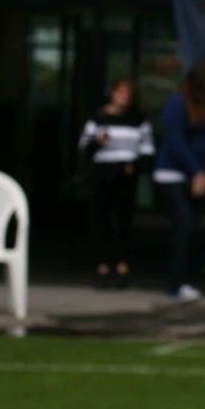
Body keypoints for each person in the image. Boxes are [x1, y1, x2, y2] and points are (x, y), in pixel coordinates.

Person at [155, 58, 205, 303]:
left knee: (193, 227)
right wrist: (196, 171)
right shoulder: (176, 103)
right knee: (184, 225)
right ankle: (175, 284)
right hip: (173, 174)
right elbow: (176, 143)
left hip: (197, 174)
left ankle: (185, 280)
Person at [78, 77, 151, 288]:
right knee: (101, 219)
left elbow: (147, 148)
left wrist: (134, 164)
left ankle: (122, 265)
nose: (123, 98)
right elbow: (84, 146)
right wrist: (97, 142)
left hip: (125, 175)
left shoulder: (138, 120)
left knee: (123, 220)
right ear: (112, 93)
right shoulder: (98, 118)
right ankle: (102, 266)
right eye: (120, 93)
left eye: (128, 94)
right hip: (102, 173)